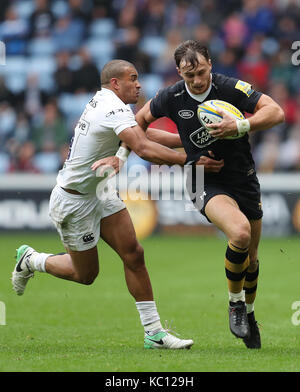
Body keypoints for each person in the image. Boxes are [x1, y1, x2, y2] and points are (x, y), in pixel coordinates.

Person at [104, 41, 285, 349]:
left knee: (252, 261)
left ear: (210, 64)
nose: (198, 81)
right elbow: (138, 124)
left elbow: (276, 112)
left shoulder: (231, 88)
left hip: (243, 178)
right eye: (190, 77)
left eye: (201, 72)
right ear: (179, 73)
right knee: (239, 234)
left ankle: (250, 314)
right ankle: (235, 305)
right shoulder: (171, 96)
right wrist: (123, 155)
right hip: (203, 179)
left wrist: (240, 124)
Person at [11, 59, 202, 350]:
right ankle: (32, 260)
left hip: (99, 190)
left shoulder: (113, 105)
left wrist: (188, 141)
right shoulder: (111, 107)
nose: (139, 84)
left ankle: (154, 333)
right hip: (74, 202)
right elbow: (143, 148)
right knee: (85, 275)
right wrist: (192, 159)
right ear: (115, 83)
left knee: (134, 254)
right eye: (132, 78)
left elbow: (143, 135)